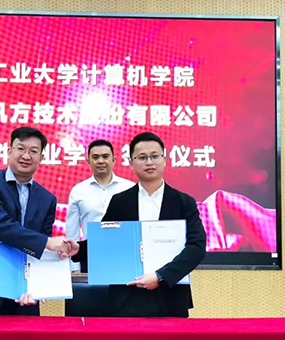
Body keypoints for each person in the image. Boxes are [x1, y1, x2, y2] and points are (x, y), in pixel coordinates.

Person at [72, 132, 206, 317]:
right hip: (127, 295)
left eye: (155, 156)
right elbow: (107, 241)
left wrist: (160, 276)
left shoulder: (184, 202)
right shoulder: (120, 201)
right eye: (142, 157)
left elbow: (196, 247)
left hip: (170, 294)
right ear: (131, 162)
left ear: (165, 160)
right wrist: (78, 249)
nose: (149, 162)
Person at [0, 127, 79, 315]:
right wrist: (47, 242)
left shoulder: (47, 199)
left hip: (25, 296)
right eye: (20, 149)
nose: (26, 156)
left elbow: (41, 249)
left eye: (33, 151)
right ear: (9, 151)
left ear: (41, 157)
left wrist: (45, 278)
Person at [66, 139, 134, 271]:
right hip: (89, 255)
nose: (100, 161)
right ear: (88, 161)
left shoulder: (129, 188)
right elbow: (72, 232)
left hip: (125, 255)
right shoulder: (78, 191)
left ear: (113, 160)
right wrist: (74, 267)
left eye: (105, 156)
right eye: (95, 157)